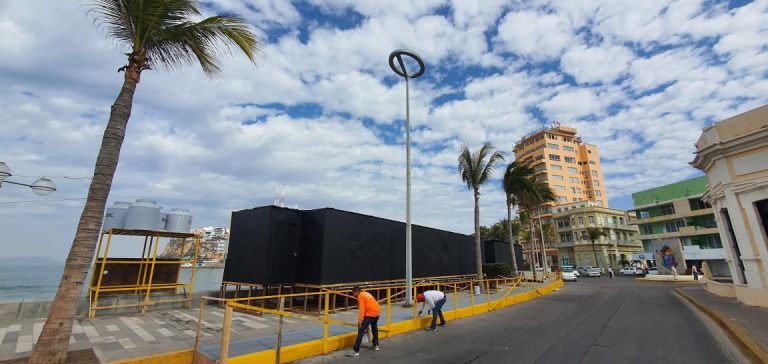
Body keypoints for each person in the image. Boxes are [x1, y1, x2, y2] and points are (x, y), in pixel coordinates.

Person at [347, 286, 380, 356]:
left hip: (370, 313)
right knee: (374, 328)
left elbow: (362, 309)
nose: (353, 295)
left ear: (357, 292)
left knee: (361, 330)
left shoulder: (360, 296)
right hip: (377, 312)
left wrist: (360, 321)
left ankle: (356, 351)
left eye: (353, 293)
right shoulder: (366, 293)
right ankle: (376, 345)